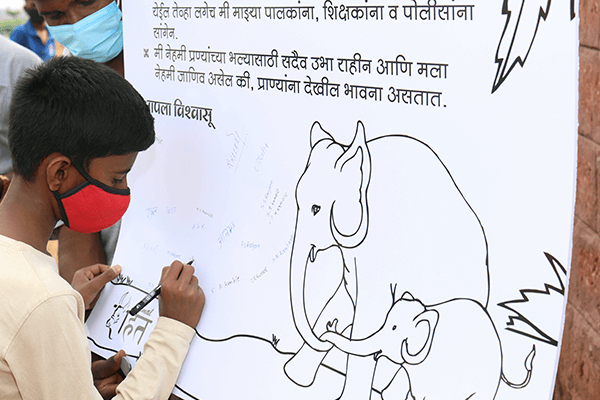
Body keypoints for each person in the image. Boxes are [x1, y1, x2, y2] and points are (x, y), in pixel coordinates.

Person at [0, 56, 205, 399]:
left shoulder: (33, 290)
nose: (123, 191)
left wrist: (74, 370)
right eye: (117, 177)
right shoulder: (43, 301)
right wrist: (173, 328)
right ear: (59, 173)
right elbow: (33, 310)